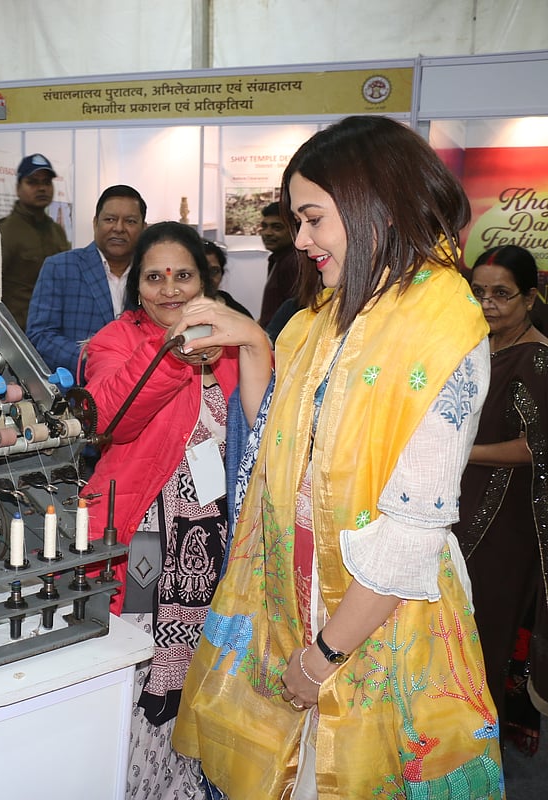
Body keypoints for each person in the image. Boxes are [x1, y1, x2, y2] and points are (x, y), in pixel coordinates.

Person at [172, 115, 504, 799]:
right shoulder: (324, 319)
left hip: (376, 611)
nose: (300, 239)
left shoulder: (442, 330)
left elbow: (411, 536)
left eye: (313, 218)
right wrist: (254, 343)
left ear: (373, 204)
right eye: (298, 220)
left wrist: (322, 658)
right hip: (298, 592)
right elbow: (277, 445)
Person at [82, 221, 255, 799]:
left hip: (213, 539)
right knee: (142, 659)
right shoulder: (115, 341)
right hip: (145, 538)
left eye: (183, 275)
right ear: (137, 287)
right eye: (154, 277)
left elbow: (258, 428)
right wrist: (171, 353)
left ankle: (188, 787)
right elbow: (110, 418)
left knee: (205, 664)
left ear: (205, 280)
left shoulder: (230, 339)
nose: (169, 289)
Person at [456, 244, 548, 759]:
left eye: (502, 294)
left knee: (485, 631)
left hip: (505, 517)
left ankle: (476, 759)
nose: (488, 304)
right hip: (461, 500)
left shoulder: (537, 358)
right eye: (478, 292)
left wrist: (463, 451)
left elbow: (538, 446)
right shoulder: (476, 345)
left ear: (530, 298)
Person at [25, 184, 146, 378]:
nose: (119, 228)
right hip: (76, 387)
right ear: (95, 223)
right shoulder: (60, 267)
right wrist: (91, 359)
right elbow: (40, 336)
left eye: (130, 221)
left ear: (143, 228)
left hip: (136, 385)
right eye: (110, 219)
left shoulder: (148, 274)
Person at [0, 153, 70, 329]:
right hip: (17, 332)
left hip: (52, 330)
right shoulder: (5, 232)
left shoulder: (57, 231)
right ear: (18, 188)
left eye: (46, 182)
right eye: (32, 182)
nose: (42, 188)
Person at [256, 201, 305, 329]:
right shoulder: (279, 258)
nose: (267, 233)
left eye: (277, 227)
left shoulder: (293, 262)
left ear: (294, 230)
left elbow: (296, 313)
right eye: (264, 226)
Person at [201, 239, 251, 317]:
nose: (207, 278)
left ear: (222, 273)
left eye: (213, 271)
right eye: (199, 271)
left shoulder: (237, 313)